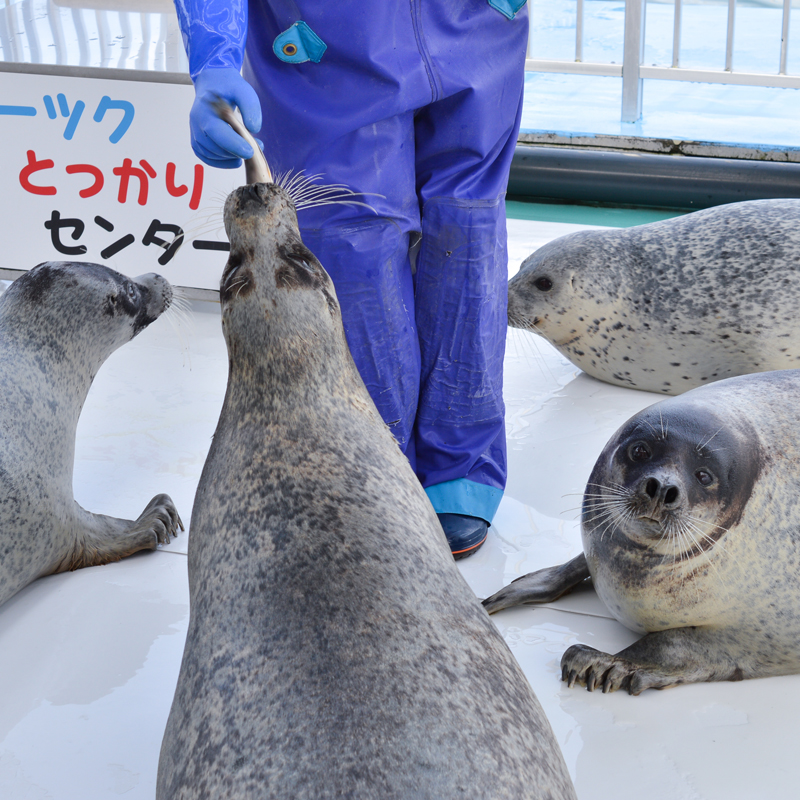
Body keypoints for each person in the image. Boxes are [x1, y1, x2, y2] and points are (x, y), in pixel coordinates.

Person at [175, 0, 529, 558]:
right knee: (349, 236)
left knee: (468, 223)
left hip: (476, 19)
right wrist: (213, 55)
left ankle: (462, 467)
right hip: (323, 35)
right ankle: (376, 468)